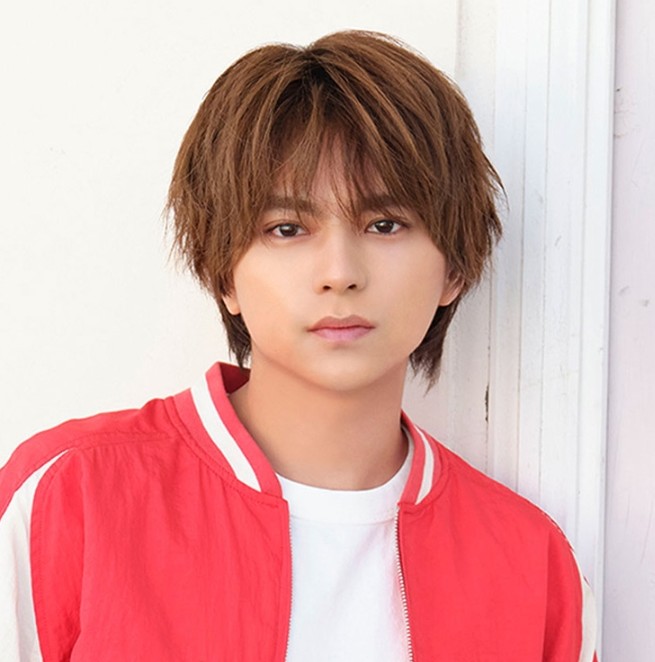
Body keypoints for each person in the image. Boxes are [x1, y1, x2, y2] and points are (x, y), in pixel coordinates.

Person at [0, 30, 597, 661]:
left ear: (454, 267)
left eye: (385, 224)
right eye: (287, 228)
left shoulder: (533, 566)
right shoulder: (69, 495)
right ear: (224, 273)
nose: (339, 272)